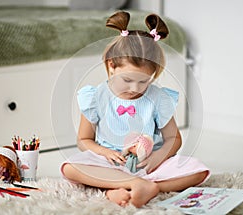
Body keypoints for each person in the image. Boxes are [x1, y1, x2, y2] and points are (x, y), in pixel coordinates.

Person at [61, 11, 210, 208]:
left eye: (143, 81)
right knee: (70, 167)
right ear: (111, 65)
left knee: (198, 169)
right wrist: (104, 152)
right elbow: (83, 140)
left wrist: (159, 156)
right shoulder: (96, 97)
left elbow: (174, 139)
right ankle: (135, 185)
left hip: (149, 164)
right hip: (110, 164)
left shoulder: (157, 97)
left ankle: (119, 188)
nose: (135, 89)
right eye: (128, 80)